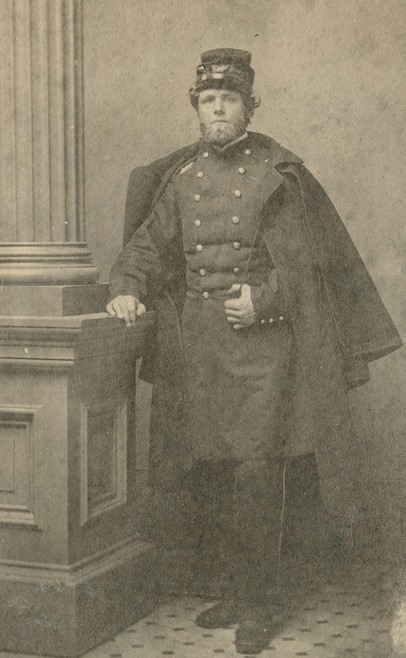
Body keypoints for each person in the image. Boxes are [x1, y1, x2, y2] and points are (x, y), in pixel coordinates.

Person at [106, 49, 402, 654]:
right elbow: (145, 247)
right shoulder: (181, 178)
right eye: (208, 100)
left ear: (249, 107)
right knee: (213, 465)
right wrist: (126, 290)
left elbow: (309, 265)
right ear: (197, 109)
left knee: (259, 471)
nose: (218, 108)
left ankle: (263, 603)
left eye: (230, 99)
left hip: (263, 349)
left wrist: (263, 301)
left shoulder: (278, 172)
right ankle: (239, 591)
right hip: (199, 349)